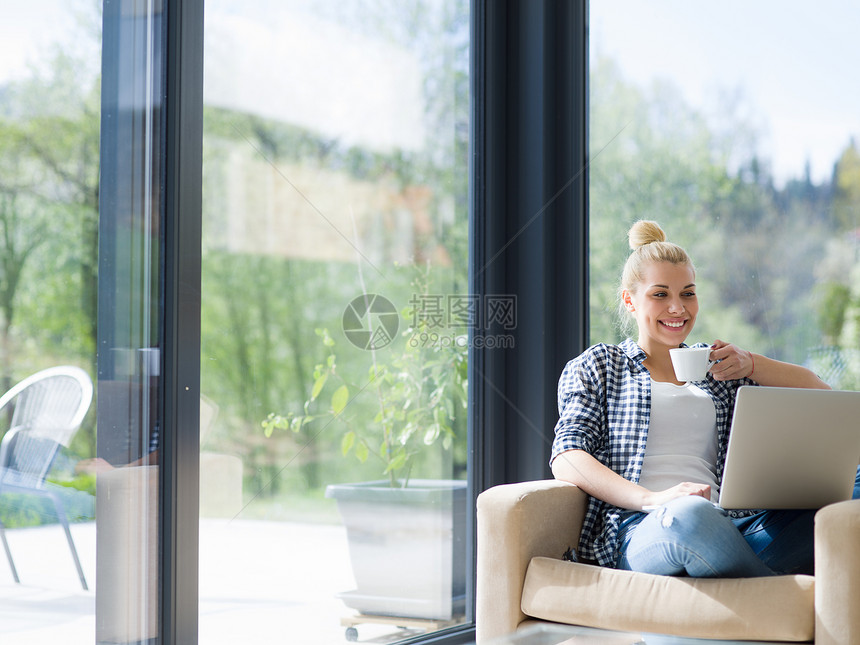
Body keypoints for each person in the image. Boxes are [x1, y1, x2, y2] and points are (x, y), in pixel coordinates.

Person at [550, 220, 858, 578]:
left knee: (854, 481)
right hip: (646, 527)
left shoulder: (718, 369)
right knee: (689, 517)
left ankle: (737, 577)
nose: (678, 308)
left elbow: (824, 397)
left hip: (732, 525)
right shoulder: (601, 365)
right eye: (660, 294)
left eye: (688, 293)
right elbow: (567, 456)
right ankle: (771, 589)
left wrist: (752, 363)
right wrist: (654, 498)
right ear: (630, 300)